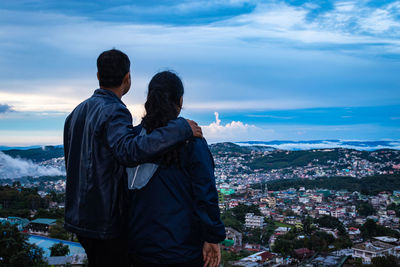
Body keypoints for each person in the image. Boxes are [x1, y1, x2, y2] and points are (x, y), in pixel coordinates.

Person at [63, 50, 203, 267]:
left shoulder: (76, 113)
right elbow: (129, 151)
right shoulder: (114, 111)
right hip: (105, 220)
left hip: (79, 217)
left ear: (98, 75)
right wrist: (180, 128)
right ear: (127, 78)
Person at [127, 71, 226, 267]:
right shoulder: (192, 142)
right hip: (182, 248)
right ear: (180, 101)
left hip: (138, 245)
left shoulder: (134, 141)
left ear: (150, 99)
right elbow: (205, 194)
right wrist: (212, 236)